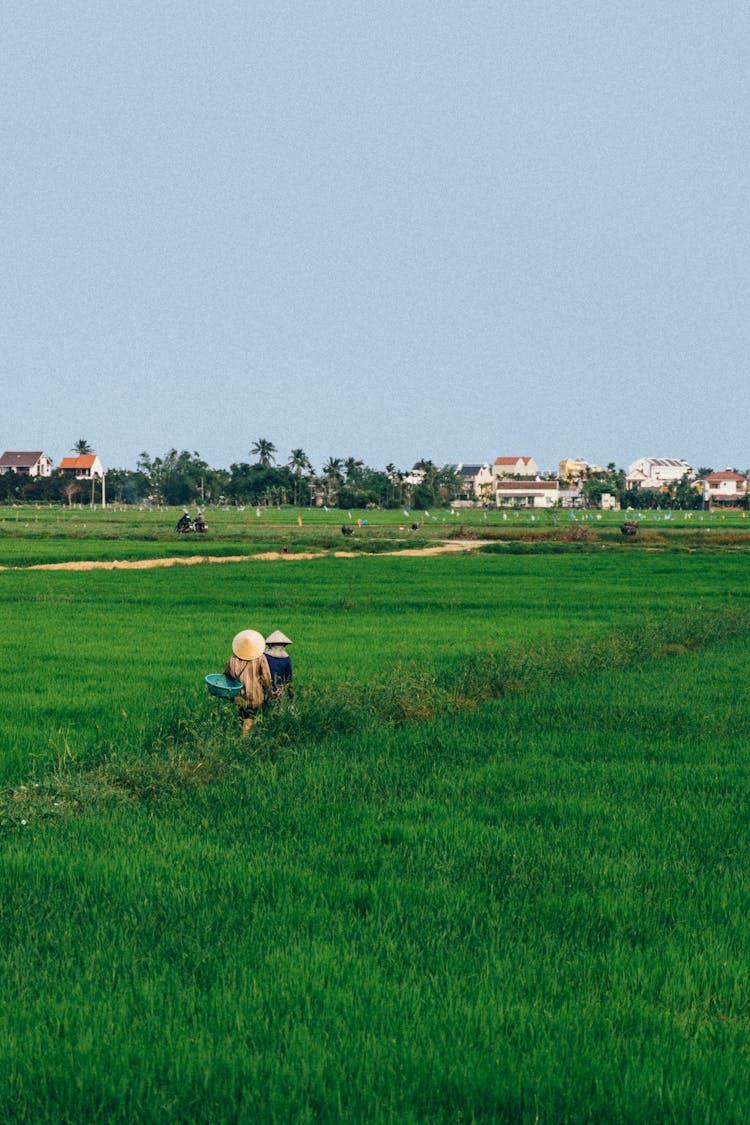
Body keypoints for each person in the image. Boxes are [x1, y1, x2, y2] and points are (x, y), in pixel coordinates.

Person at [224, 629, 272, 735]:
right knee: (249, 717)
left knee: (241, 717)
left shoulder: (233, 659)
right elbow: (266, 678)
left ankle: (240, 737)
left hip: (238, 695)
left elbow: (226, 676)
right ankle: (243, 741)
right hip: (254, 695)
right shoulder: (260, 658)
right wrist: (269, 692)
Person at [264, 630, 293, 701]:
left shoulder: (263, 656)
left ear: (270, 645)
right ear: (283, 645)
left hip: (265, 690)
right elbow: (289, 680)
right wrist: (291, 699)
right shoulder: (287, 658)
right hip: (279, 691)